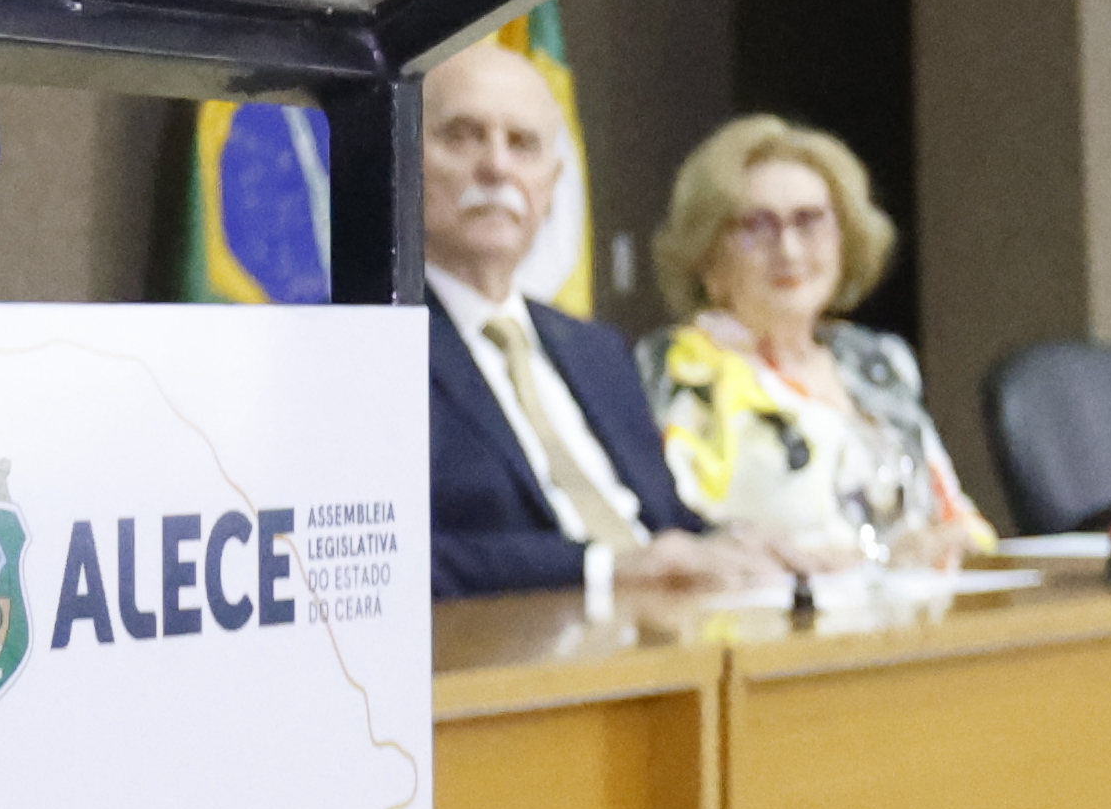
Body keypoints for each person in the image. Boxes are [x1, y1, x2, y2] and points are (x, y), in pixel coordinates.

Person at [422, 44, 768, 597]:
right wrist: (600, 567)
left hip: (663, 626)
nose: (497, 166)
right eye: (462, 136)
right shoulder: (368, 353)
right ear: (404, 157)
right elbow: (385, 555)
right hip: (520, 635)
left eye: (523, 143)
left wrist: (747, 546)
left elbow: (665, 523)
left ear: (553, 181)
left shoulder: (596, 350)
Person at [635, 117, 993, 564]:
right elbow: (693, 544)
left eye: (809, 221)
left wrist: (960, 541)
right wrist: (881, 562)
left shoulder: (876, 362)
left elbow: (950, 508)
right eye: (758, 225)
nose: (789, 249)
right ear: (709, 256)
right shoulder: (683, 374)